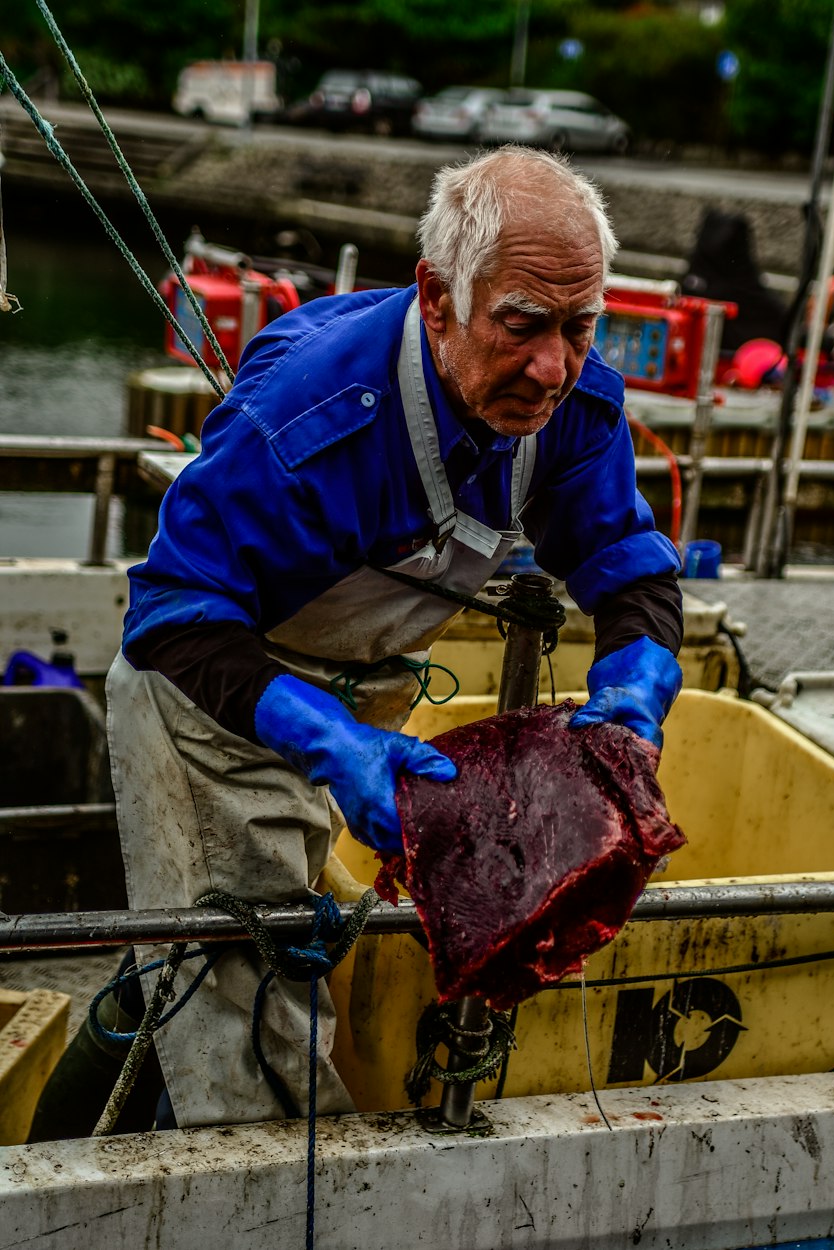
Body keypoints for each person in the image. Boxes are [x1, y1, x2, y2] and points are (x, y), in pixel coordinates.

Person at [105, 145, 685, 1129]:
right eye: (523, 327)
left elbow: (627, 562)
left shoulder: (575, 404)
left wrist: (633, 697)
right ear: (438, 296)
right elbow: (171, 614)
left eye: (581, 329)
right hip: (212, 714)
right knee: (248, 1012)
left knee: (292, 952)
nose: (553, 367)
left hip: (370, 686)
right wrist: (331, 744)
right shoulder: (303, 422)